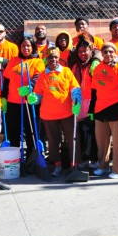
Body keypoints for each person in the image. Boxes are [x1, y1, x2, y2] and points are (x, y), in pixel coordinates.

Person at [88, 42, 118, 178]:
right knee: (102, 142)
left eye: (111, 51)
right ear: (102, 54)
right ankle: (103, 166)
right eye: (105, 52)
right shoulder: (97, 68)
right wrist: (91, 110)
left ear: (115, 53)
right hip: (100, 110)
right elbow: (94, 91)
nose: (108, 54)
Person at [32, 47, 82, 176]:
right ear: (46, 59)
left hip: (67, 112)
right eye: (50, 57)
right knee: (53, 141)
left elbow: (75, 87)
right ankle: (57, 165)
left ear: (59, 58)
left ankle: (74, 165)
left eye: (55, 57)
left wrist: (76, 97)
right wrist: (33, 98)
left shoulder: (66, 72)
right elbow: (38, 94)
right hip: (48, 114)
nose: (53, 60)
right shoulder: (43, 75)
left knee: (73, 139)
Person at [2, 36, 45, 164]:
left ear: (32, 47)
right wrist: (3, 97)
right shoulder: (13, 61)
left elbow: (38, 77)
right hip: (13, 102)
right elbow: (7, 80)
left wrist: (29, 86)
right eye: (23, 46)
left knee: (31, 132)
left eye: (28, 46)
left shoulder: (37, 61)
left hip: (29, 103)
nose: (25, 48)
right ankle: (14, 160)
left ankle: (31, 160)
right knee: (13, 133)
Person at [69, 39, 102, 167]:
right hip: (79, 102)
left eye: (86, 51)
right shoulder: (75, 66)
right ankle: (83, 158)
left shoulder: (95, 65)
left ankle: (94, 158)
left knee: (93, 132)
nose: (83, 54)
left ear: (91, 51)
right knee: (81, 132)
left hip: (93, 102)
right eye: (81, 51)